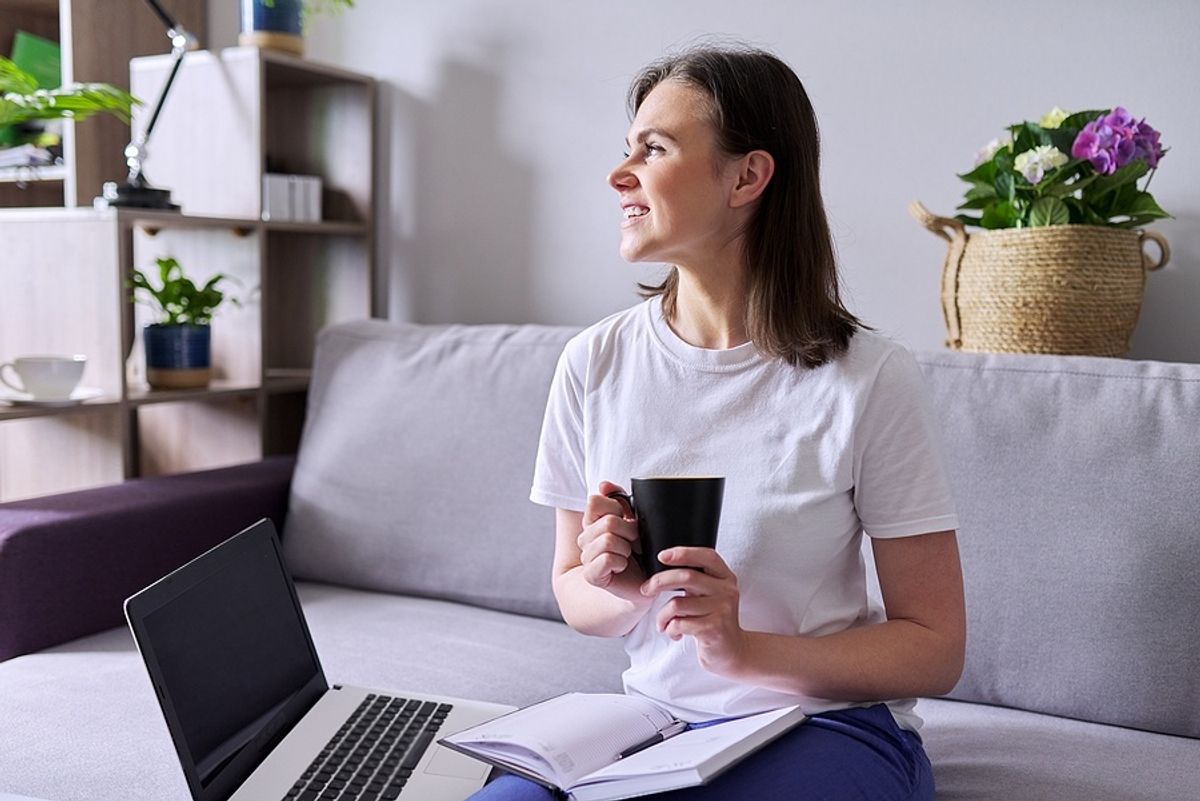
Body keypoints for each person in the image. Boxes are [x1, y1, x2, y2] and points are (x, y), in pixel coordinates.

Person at [470, 44, 964, 801]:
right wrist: (623, 585)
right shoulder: (593, 363)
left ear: (747, 176)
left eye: (655, 147)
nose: (619, 172)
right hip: (655, 725)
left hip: (824, 726)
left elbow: (935, 646)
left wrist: (744, 650)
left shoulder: (867, 379)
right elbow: (574, 591)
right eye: (626, 148)